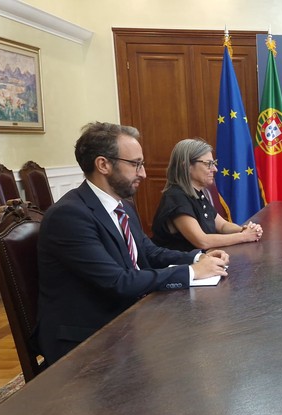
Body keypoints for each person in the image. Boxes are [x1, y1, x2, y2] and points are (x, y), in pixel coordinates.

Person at [37, 122, 230, 365]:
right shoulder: (69, 216)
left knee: (208, 338)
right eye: (135, 164)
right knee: (192, 353)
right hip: (88, 338)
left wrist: (198, 257)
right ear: (103, 165)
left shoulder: (123, 206)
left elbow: (149, 252)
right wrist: (192, 272)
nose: (144, 173)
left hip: (127, 316)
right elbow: (117, 281)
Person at [152, 138, 263, 251]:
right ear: (187, 166)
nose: (215, 169)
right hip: (179, 262)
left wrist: (244, 230)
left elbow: (222, 226)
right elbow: (202, 241)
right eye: (208, 164)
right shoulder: (176, 197)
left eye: (213, 163)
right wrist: (244, 236)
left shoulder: (197, 193)